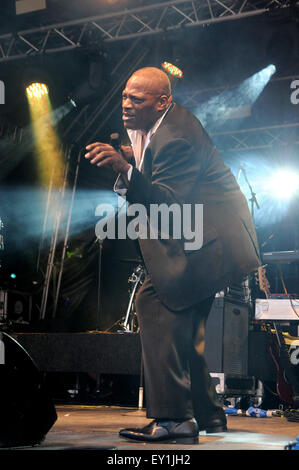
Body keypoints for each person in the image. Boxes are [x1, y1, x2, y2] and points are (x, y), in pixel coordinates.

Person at [85, 67, 260, 444]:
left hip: (212, 241)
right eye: (125, 96)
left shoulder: (175, 135)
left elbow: (169, 203)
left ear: (162, 101)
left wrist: (126, 168)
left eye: (137, 99)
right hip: (210, 238)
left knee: (155, 301)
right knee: (184, 321)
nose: (126, 105)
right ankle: (207, 414)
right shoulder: (161, 127)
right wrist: (138, 164)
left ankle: (174, 420)